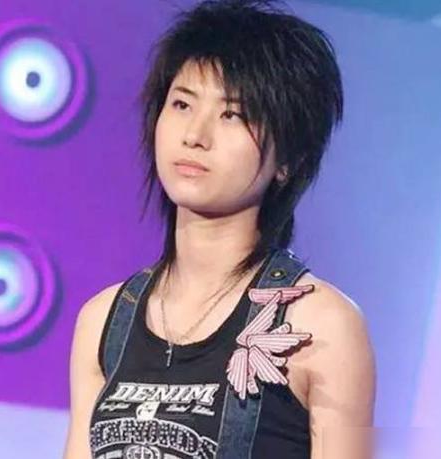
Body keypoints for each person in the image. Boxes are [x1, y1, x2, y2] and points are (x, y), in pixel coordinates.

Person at [63, 0, 376, 458]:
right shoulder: (105, 321)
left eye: (233, 114)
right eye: (182, 104)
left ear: (289, 158)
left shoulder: (322, 324)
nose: (195, 134)